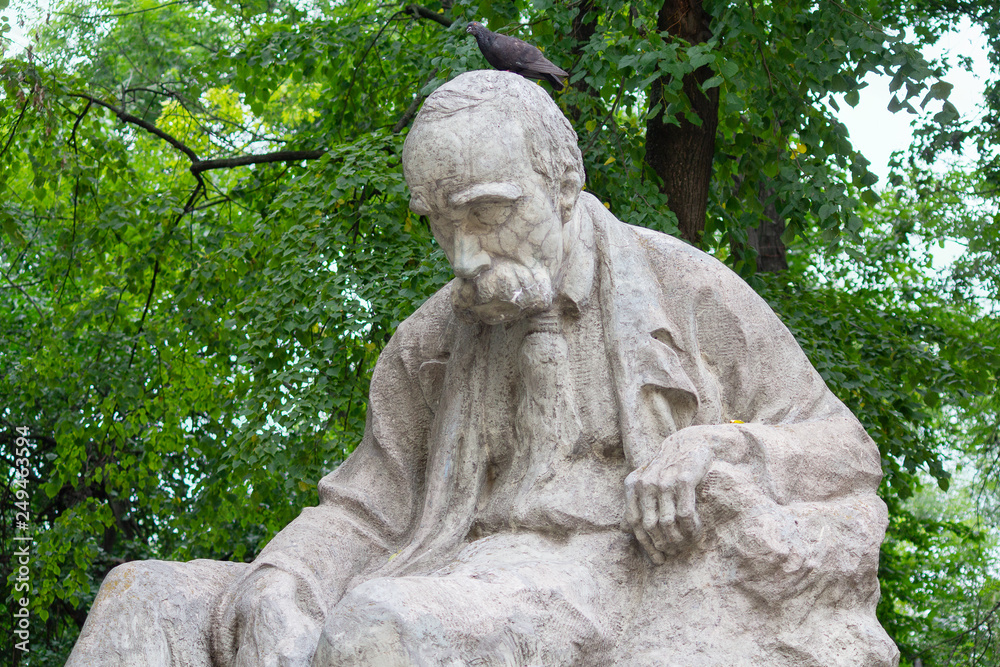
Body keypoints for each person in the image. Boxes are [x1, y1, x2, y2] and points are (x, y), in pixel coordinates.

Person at [68, 70, 898, 666]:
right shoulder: (430, 340)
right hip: (439, 560)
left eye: (490, 213)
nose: (465, 254)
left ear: (563, 182)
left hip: (603, 577)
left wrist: (721, 448)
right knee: (143, 599)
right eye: (439, 223)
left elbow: (845, 447)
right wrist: (282, 580)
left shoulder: (684, 290)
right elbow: (365, 506)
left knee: (381, 631)